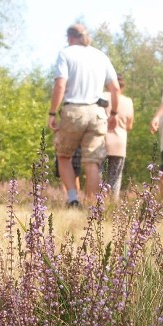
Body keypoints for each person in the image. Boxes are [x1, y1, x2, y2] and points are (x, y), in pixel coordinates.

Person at [47, 23, 120, 208]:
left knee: (64, 156)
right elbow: (115, 88)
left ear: (70, 37)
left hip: (74, 111)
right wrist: (114, 114)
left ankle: (72, 199)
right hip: (97, 113)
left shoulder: (66, 53)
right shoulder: (100, 56)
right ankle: (94, 207)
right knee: (92, 161)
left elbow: (60, 85)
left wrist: (52, 112)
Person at [103, 74, 134, 202]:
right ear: (123, 86)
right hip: (119, 143)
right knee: (115, 177)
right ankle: (112, 206)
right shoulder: (128, 101)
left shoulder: (102, 97)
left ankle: (97, 204)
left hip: (101, 141)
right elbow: (129, 125)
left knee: (99, 174)